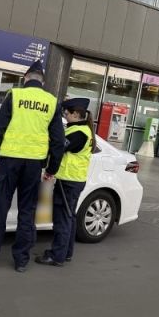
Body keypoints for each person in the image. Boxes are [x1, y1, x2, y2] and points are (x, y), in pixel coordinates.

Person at [0, 59, 65, 273]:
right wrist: (52, 169)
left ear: (25, 79)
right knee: (27, 211)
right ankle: (21, 260)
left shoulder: (15, 95)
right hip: (34, 166)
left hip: (10, 162)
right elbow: (58, 140)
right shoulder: (51, 101)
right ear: (43, 81)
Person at [36, 98, 95, 267]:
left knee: (62, 219)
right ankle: (66, 253)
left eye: (67, 113)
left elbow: (58, 148)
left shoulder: (78, 133)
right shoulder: (82, 130)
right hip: (75, 180)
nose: (65, 116)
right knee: (69, 218)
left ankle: (57, 256)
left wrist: (49, 170)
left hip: (68, 181)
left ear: (76, 114)